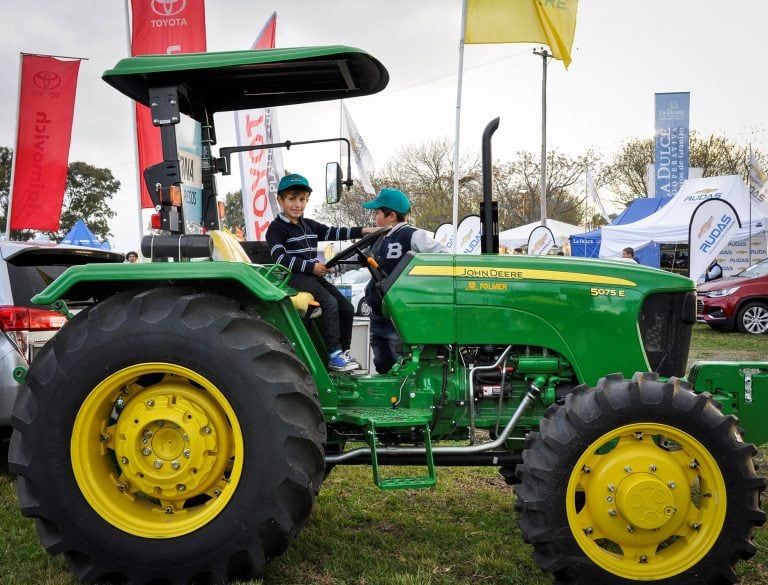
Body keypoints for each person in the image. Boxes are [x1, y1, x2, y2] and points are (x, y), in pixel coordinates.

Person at [265, 173, 375, 372]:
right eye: (292, 199)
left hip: (311, 275)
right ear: (280, 200)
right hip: (294, 277)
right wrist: (312, 266)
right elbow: (280, 259)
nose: (297, 205)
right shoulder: (276, 229)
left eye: (302, 199)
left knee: (346, 308)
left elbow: (335, 232)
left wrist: (364, 231)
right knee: (330, 303)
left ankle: (343, 351)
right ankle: (333, 355)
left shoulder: (309, 226)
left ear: (306, 200)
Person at [361, 188, 448, 374]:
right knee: (382, 363)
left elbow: (443, 256)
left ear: (391, 215)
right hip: (378, 315)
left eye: (377, 212)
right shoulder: (380, 238)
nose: (374, 216)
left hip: (398, 316)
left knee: (400, 367)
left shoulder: (412, 235)